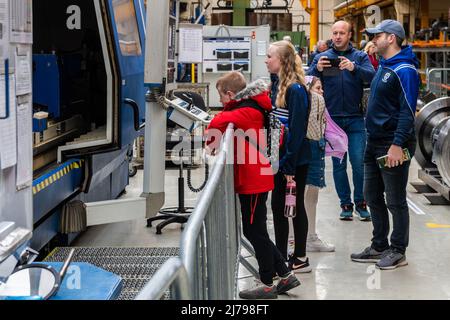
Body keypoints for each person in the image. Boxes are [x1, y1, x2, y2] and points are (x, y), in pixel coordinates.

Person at [206, 71, 300, 299]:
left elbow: (217, 122)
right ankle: (285, 275)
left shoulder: (248, 111)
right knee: (256, 229)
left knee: (254, 230)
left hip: (254, 180)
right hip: (255, 178)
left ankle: (267, 283)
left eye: (221, 97)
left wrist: (211, 140)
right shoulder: (250, 107)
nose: (220, 103)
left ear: (230, 94)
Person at [351, 20, 420, 270]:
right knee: (372, 195)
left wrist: (397, 144)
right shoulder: (385, 64)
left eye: (377, 36)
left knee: (395, 199)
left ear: (391, 38)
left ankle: (398, 250)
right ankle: (379, 244)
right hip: (375, 140)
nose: (372, 40)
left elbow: (407, 111)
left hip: (392, 143)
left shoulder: (405, 70)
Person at [308, 20, 376, 222]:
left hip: (356, 120)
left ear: (349, 35)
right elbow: (307, 82)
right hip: (332, 121)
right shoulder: (322, 57)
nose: (338, 36)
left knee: (358, 163)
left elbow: (372, 77)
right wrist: (316, 69)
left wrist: (354, 68)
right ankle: (345, 204)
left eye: (342, 33)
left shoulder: (360, 56)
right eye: (335, 32)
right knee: (338, 165)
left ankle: (361, 202)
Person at [266, 41, 312, 273]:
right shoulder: (277, 85)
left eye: (269, 56)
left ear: (282, 61)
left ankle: (299, 257)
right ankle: (282, 255)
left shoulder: (295, 90)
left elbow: (297, 130)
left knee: (291, 205)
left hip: (293, 160)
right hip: (280, 158)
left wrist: (289, 166)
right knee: (278, 206)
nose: (266, 60)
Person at [304, 76, 335, 252]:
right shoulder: (312, 102)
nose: (321, 92)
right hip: (311, 146)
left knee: (312, 196)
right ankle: (301, 238)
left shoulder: (319, 105)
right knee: (303, 195)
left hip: (316, 146)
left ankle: (310, 236)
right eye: (318, 88)